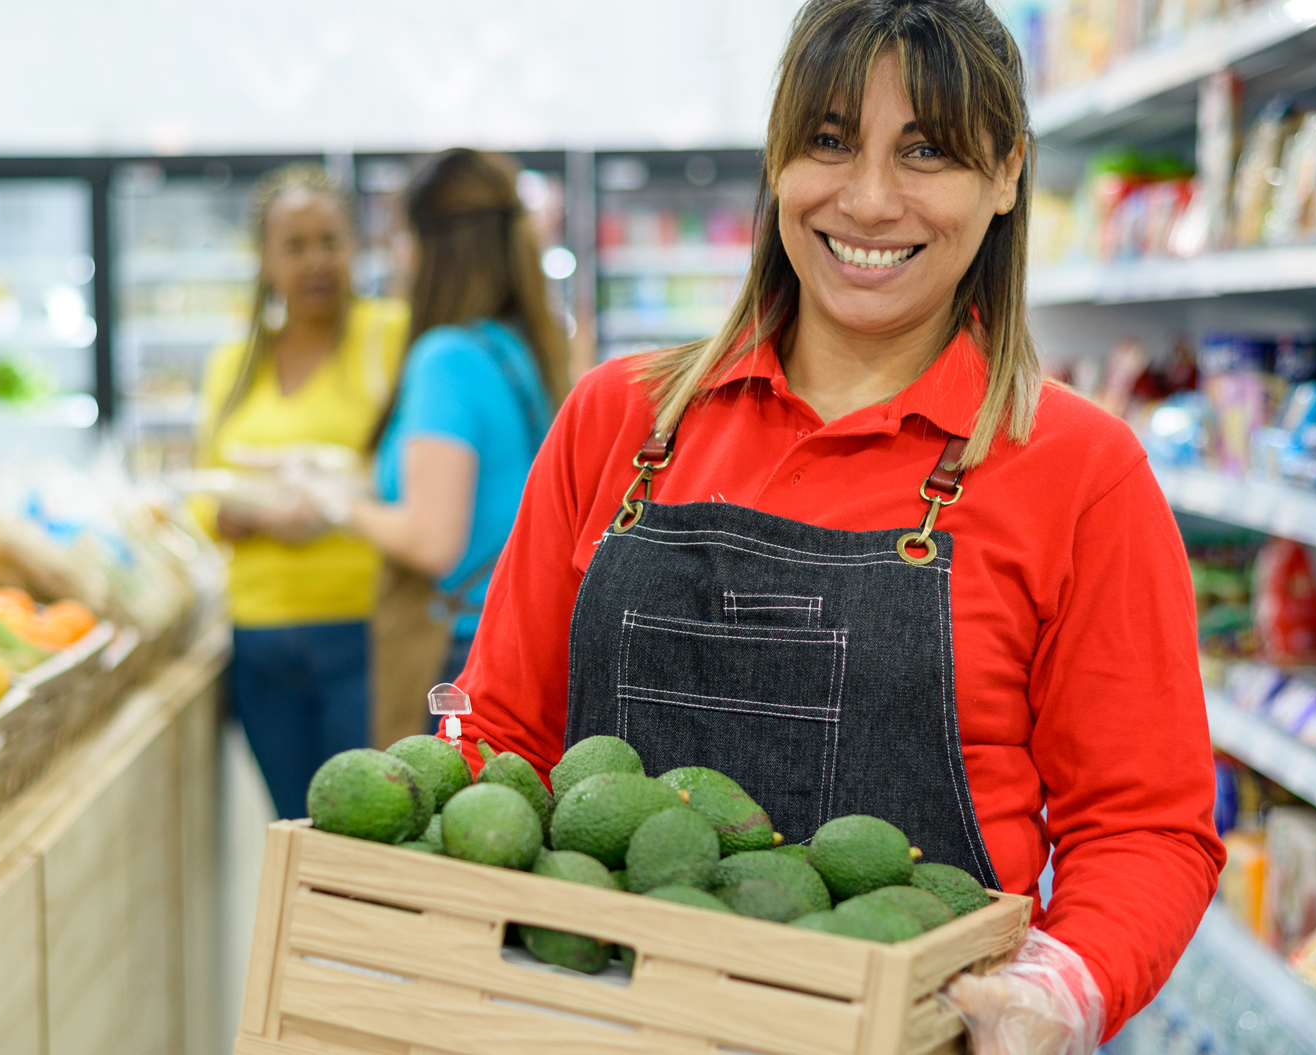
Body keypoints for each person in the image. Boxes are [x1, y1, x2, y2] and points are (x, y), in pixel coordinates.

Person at [450, 0, 1224, 1050]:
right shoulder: (621, 419)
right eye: (827, 140)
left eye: (926, 151)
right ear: (775, 161)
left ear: (1003, 175)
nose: (867, 199)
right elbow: (502, 735)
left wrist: (1062, 985)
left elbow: (1142, 826)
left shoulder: (1078, 471)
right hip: (590, 1023)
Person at [196, 163, 407, 821]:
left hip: (363, 629)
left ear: (355, 247)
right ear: (264, 260)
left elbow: (411, 473)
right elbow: (202, 496)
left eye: (329, 241)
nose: (316, 260)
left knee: (373, 829)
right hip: (259, 641)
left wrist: (328, 499)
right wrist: (248, 514)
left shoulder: (390, 336)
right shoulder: (233, 364)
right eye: (295, 245)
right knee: (296, 828)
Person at [341, 150, 563, 747]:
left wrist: (331, 504)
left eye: (402, 237)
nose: (398, 257)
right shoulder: (518, 346)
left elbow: (433, 541)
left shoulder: (448, 358)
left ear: (430, 245)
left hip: (454, 651)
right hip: (508, 643)